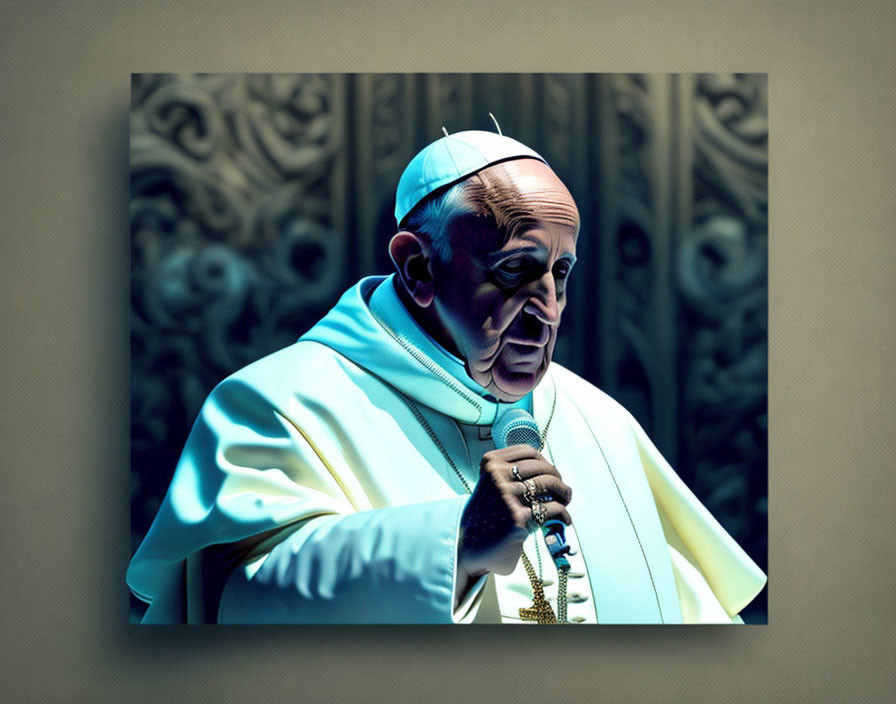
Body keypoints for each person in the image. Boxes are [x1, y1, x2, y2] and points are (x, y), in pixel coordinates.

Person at [127, 128, 767, 624]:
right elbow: (235, 605)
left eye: (562, 273)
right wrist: (454, 545)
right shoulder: (279, 403)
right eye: (516, 270)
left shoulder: (600, 421)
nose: (547, 310)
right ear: (419, 269)